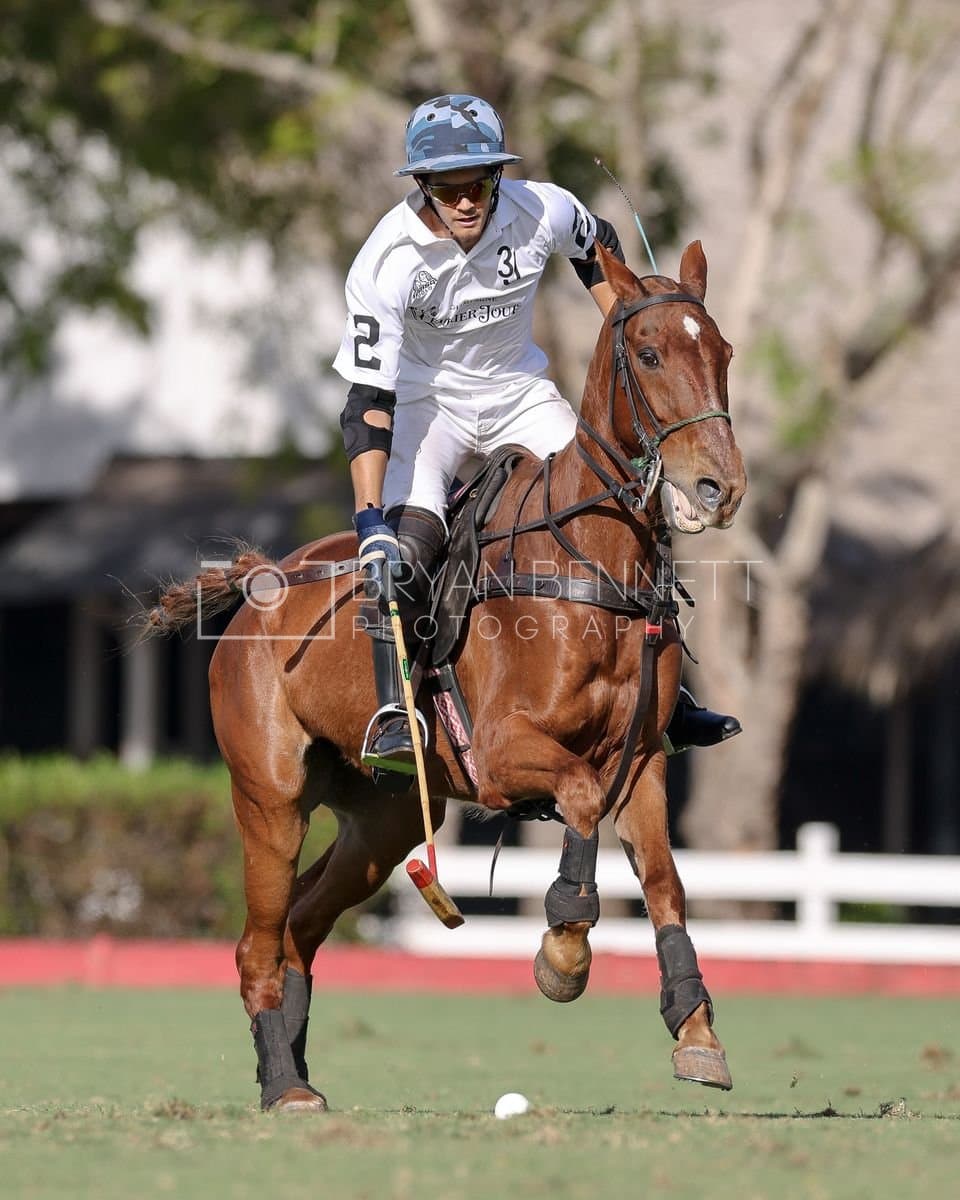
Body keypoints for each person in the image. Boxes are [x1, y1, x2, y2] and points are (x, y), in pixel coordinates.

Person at [333, 94, 739, 785]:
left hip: (519, 392)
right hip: (429, 410)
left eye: (478, 184)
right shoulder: (384, 263)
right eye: (445, 188)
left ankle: (669, 701)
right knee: (406, 553)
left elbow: (597, 249)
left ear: (499, 176)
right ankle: (397, 710)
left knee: (622, 504)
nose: (465, 202)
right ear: (421, 186)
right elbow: (368, 405)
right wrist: (369, 519)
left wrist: (632, 331)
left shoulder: (542, 208)